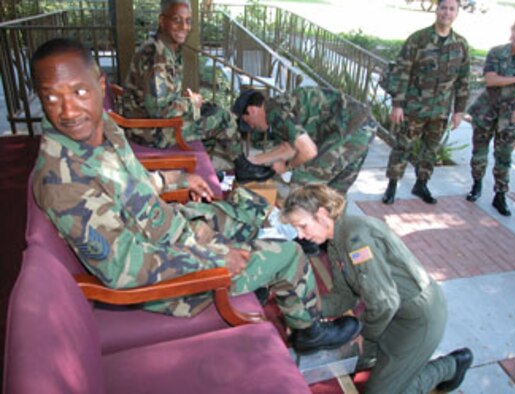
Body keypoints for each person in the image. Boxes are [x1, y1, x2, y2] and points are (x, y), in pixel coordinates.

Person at [30, 38, 362, 354]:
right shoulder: (62, 179)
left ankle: (257, 277)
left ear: (100, 85)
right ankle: (309, 331)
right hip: (170, 277)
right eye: (52, 97)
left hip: (170, 227)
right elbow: (123, 268)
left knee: (253, 204)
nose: (69, 110)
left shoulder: (99, 128)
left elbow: (127, 183)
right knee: (289, 254)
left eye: (79, 91)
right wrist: (216, 257)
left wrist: (173, 176)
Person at [281, 184, 474, 393]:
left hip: (418, 319)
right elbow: (343, 297)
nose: (300, 235)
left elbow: (385, 302)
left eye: (302, 226)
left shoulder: (356, 240)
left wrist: (364, 335)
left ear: (321, 214)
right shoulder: (336, 241)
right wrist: (305, 312)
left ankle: (450, 365)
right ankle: (389, 359)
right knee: (344, 359)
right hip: (387, 313)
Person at [123, 0, 273, 182]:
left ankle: (207, 166)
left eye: (188, 21)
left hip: (156, 123)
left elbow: (161, 97)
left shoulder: (165, 48)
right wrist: (191, 103)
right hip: (149, 131)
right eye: (177, 20)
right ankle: (242, 168)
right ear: (162, 21)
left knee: (211, 110)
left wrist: (189, 101)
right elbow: (159, 111)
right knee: (223, 120)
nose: (184, 26)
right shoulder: (156, 57)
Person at [382, 0, 470, 205]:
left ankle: (421, 184)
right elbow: (402, 72)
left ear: (456, 13)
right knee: (402, 146)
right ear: (437, 10)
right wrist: (398, 104)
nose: (446, 13)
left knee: (431, 149)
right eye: (443, 8)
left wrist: (459, 111)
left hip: (440, 110)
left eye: (451, 9)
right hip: (414, 107)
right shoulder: (418, 39)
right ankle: (392, 186)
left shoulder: (461, 45)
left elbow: (463, 80)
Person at [231, 87, 377, 192]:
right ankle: (328, 233)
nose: (252, 126)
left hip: (351, 128)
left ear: (252, 111)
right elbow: (288, 147)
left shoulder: (274, 112)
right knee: (333, 192)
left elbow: (308, 151)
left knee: (302, 181)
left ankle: (304, 230)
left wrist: (287, 167)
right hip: (363, 125)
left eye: (248, 121)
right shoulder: (277, 106)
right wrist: (256, 160)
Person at [465, 16, 515, 216]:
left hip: (511, 118)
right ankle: (476, 185)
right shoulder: (497, 53)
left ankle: (500, 195)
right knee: (479, 153)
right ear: (511, 30)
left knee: (504, 158)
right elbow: (491, 80)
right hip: (486, 112)